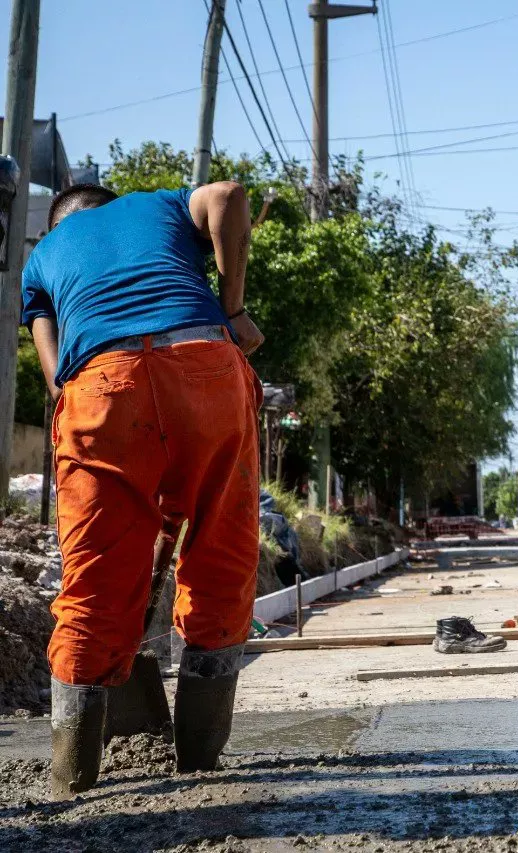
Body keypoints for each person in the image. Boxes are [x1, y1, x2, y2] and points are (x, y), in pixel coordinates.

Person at [21, 182, 265, 798]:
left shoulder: (42, 258)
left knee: (93, 578)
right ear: (110, 205)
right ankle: (201, 762)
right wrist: (232, 309)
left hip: (100, 387)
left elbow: (56, 380)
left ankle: (69, 779)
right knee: (220, 549)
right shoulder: (155, 206)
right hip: (201, 364)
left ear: (57, 223)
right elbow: (231, 197)